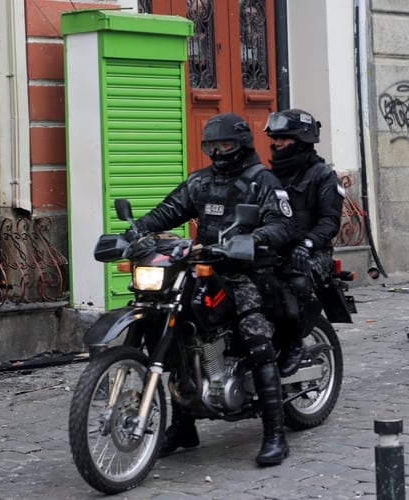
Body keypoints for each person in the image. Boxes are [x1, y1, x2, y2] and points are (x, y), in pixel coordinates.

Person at [130, 113, 294, 466]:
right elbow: (168, 210)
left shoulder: (261, 181)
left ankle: (275, 433)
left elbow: (282, 225)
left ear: (242, 145)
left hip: (244, 271)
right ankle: (184, 427)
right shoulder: (201, 182)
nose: (218, 152)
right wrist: (135, 230)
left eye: (225, 145)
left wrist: (252, 239)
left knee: (256, 339)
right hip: (202, 268)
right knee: (177, 333)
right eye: (211, 146)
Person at [264, 109, 345, 377]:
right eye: (274, 139)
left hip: (311, 253)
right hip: (271, 251)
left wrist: (307, 244)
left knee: (290, 284)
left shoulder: (322, 175)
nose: (276, 144)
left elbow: (329, 221)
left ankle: (293, 343)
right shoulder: (267, 176)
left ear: (301, 140)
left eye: (283, 139)